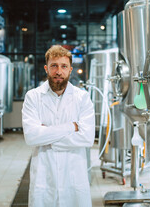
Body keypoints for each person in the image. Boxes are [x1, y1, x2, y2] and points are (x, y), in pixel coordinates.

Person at [21, 45, 95, 207]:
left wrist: (46, 135)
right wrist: (71, 127)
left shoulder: (82, 98)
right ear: (46, 68)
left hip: (74, 177)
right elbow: (32, 137)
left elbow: (87, 138)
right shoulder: (33, 97)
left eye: (63, 66)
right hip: (44, 177)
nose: (58, 71)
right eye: (54, 66)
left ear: (70, 70)